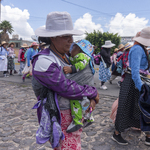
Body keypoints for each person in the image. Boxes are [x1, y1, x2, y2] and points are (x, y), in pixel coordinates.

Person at [31, 12, 99, 150]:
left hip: (74, 116)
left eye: (71, 36)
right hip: (60, 119)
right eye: (65, 36)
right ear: (53, 38)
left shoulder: (66, 57)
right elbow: (66, 87)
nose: (71, 40)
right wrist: (93, 92)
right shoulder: (44, 61)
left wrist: (91, 99)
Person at [113, 27, 150, 148]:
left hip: (137, 82)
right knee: (126, 108)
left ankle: (149, 136)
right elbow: (135, 71)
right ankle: (116, 133)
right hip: (133, 83)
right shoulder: (137, 49)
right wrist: (141, 87)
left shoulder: (141, 48)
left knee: (142, 110)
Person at [62, 39, 95, 133]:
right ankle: (89, 117)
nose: (71, 49)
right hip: (86, 87)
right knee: (86, 102)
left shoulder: (83, 56)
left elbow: (81, 64)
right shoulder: (80, 56)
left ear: (80, 49)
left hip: (82, 85)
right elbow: (72, 59)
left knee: (75, 100)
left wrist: (71, 69)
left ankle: (76, 121)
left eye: (74, 47)